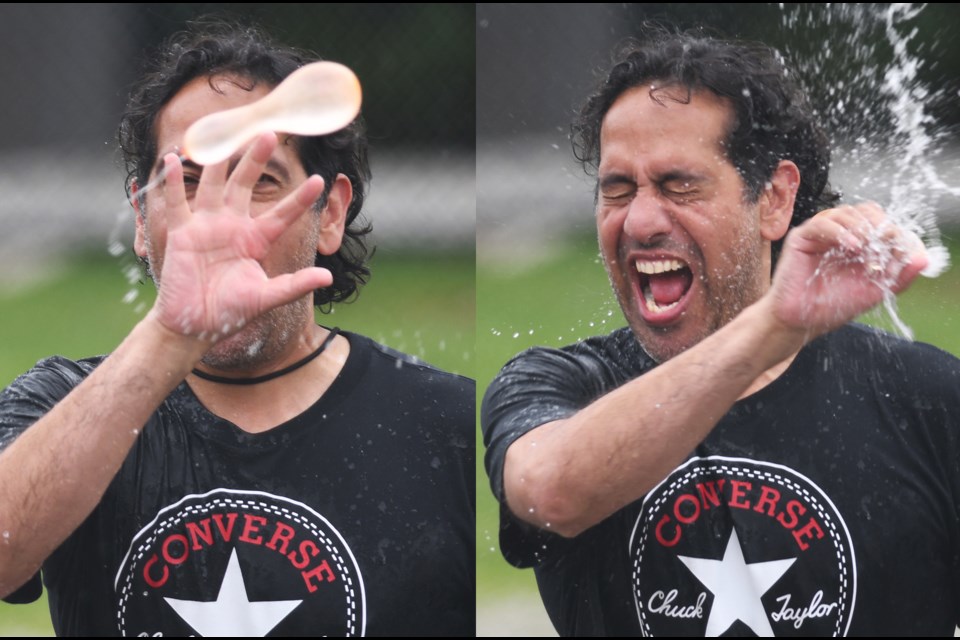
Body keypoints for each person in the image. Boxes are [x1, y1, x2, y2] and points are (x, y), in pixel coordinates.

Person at [482, 27, 960, 636]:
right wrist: (774, 325)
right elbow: (549, 493)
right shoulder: (559, 385)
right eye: (618, 190)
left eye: (680, 185)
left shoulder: (927, 399)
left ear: (775, 199)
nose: (642, 221)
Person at [0, 22, 474, 636]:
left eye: (261, 182)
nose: (216, 218)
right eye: (188, 183)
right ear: (143, 219)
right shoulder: (57, 404)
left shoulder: (448, 423)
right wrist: (172, 334)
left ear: (328, 213)